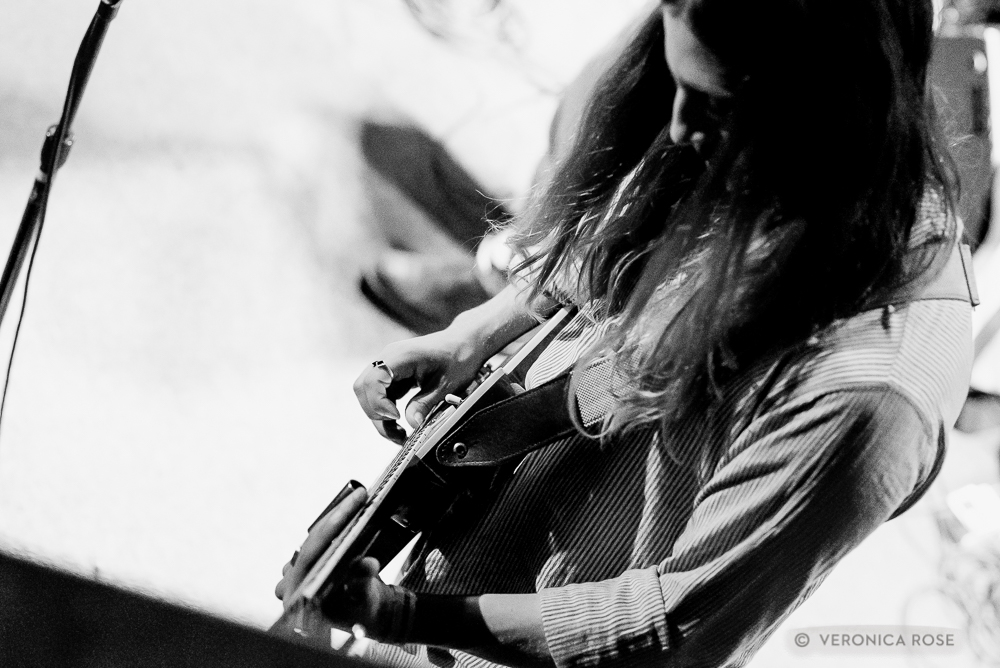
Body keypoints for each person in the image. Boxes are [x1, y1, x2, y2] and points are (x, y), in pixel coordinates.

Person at [276, 1, 975, 666]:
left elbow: (666, 634)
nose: (680, 129)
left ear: (822, 102)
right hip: (483, 551)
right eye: (681, 83)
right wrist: (476, 332)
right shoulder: (784, 151)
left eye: (716, 104)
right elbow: (620, 249)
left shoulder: (875, 398)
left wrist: (400, 618)